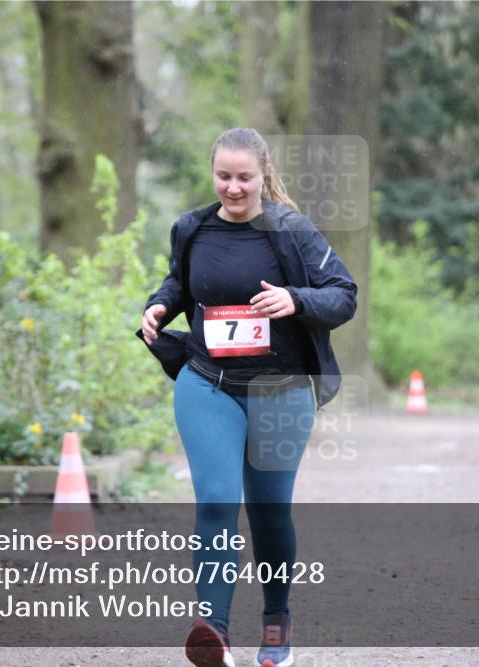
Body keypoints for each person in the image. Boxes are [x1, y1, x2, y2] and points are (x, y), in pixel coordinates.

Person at [139, 127, 357, 667]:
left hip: (280, 389)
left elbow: (343, 296)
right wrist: (159, 306)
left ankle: (276, 620)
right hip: (206, 382)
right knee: (216, 499)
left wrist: (294, 299)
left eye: (244, 178)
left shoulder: (291, 231)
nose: (233, 189)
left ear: (264, 176)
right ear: (212, 173)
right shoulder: (191, 227)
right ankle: (212, 630)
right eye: (223, 177)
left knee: (268, 510)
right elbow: (179, 284)